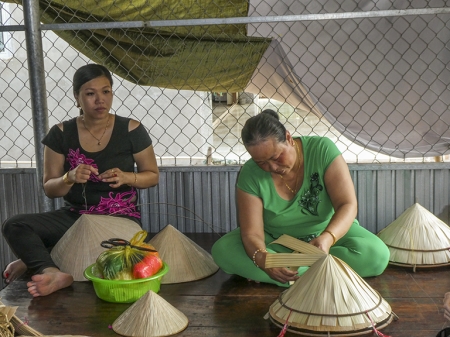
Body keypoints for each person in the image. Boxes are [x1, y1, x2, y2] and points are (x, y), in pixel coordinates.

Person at [1, 64, 159, 297]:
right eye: (90, 93)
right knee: (14, 225)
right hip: (76, 217)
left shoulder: (131, 129)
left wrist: (128, 177)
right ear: (77, 97)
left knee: (110, 257)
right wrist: (69, 177)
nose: (100, 100)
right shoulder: (61, 133)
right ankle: (52, 271)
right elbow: (50, 189)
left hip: (120, 220)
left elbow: (152, 175)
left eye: (106, 92)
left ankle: (35, 258)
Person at [211, 109, 390, 287]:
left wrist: (328, 237)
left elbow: (348, 204)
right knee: (223, 251)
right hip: (275, 240)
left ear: (289, 138)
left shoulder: (322, 150)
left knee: (377, 255)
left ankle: (295, 275)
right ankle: (325, 271)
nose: (272, 167)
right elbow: (252, 233)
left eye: (276, 157)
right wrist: (264, 260)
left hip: (328, 235)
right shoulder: (250, 174)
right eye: (261, 163)